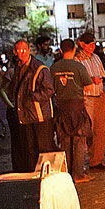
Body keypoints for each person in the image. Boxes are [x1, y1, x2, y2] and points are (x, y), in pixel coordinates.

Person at [7, 39, 55, 172]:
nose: (21, 53)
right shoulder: (18, 67)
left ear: (29, 50)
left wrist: (33, 98)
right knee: (29, 150)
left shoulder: (39, 68)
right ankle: (33, 176)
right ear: (15, 51)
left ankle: (46, 177)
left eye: (24, 50)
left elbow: (49, 89)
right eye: (18, 50)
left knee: (43, 149)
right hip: (26, 116)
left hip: (39, 116)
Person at [51, 39, 95, 182]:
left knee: (64, 142)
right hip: (77, 108)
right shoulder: (78, 67)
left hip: (61, 108)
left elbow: (51, 88)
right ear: (74, 49)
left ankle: (68, 174)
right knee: (79, 141)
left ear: (61, 50)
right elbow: (88, 86)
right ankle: (78, 174)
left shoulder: (54, 68)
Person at [74, 31, 105, 170]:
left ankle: (96, 161)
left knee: (101, 131)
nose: (91, 46)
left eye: (93, 44)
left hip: (99, 95)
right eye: (89, 44)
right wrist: (91, 80)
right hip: (87, 97)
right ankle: (81, 162)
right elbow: (78, 80)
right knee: (87, 130)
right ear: (82, 44)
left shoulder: (96, 57)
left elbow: (102, 74)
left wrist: (99, 81)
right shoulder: (77, 60)